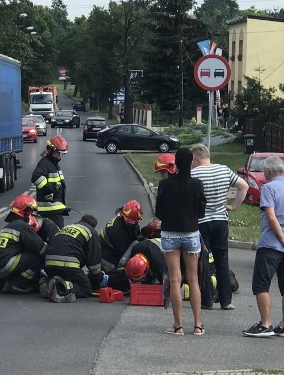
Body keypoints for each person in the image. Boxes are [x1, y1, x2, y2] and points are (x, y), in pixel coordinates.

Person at [243, 155, 284, 338]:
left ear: (269, 171)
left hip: (271, 244)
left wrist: (282, 238)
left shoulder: (268, 188)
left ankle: (266, 324)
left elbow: (271, 217)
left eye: (264, 170)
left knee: (261, 284)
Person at [155, 147, 207, 336]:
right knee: (193, 280)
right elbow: (201, 211)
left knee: (175, 280)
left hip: (169, 234)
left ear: (175, 163)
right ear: (192, 161)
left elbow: (158, 212)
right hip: (191, 233)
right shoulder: (197, 184)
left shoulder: (165, 185)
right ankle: (198, 325)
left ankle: (178, 326)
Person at [190, 144, 248, 311]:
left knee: (204, 261)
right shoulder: (224, 170)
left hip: (202, 222)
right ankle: (226, 300)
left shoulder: (194, 174)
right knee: (222, 260)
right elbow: (243, 186)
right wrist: (233, 206)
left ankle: (207, 300)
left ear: (195, 158)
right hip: (221, 221)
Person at [0, 195, 48, 295]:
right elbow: (40, 247)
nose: (31, 215)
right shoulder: (22, 226)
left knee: (23, 260)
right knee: (37, 256)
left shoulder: (9, 226)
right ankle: (20, 284)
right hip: (7, 263)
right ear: (25, 212)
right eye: (30, 212)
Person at [42, 214, 103, 302]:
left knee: (66, 276)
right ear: (93, 226)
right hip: (68, 265)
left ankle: (47, 283)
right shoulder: (91, 232)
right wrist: (98, 276)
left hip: (49, 264)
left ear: (81, 220)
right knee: (86, 289)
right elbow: (94, 260)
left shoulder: (67, 227)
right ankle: (59, 287)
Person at [31, 135, 69, 228]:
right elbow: (36, 177)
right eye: (58, 153)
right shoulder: (45, 163)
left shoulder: (53, 164)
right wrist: (49, 191)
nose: (60, 156)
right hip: (49, 210)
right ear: (51, 150)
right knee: (58, 236)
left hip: (54, 209)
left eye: (62, 154)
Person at [100, 200, 143, 272]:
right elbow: (123, 253)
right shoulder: (116, 230)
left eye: (135, 222)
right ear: (123, 216)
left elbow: (136, 236)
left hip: (114, 251)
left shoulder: (130, 222)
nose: (133, 224)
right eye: (130, 222)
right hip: (106, 258)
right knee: (120, 275)